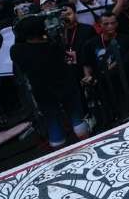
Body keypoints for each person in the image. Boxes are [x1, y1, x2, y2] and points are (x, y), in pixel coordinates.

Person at [10, 14, 92, 149]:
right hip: (66, 86)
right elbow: (68, 60)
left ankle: (60, 150)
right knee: (75, 115)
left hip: (42, 91)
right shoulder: (54, 46)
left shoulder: (17, 50)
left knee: (52, 120)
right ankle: (87, 143)